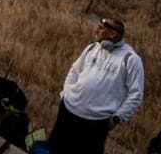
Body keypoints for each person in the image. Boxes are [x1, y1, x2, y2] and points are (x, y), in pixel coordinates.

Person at [48, 17, 144, 154]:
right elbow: (74, 71)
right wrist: (65, 94)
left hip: (96, 122)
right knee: (55, 149)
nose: (96, 30)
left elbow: (136, 95)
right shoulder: (92, 48)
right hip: (68, 111)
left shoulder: (131, 60)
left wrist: (117, 118)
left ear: (113, 34)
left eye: (101, 28)